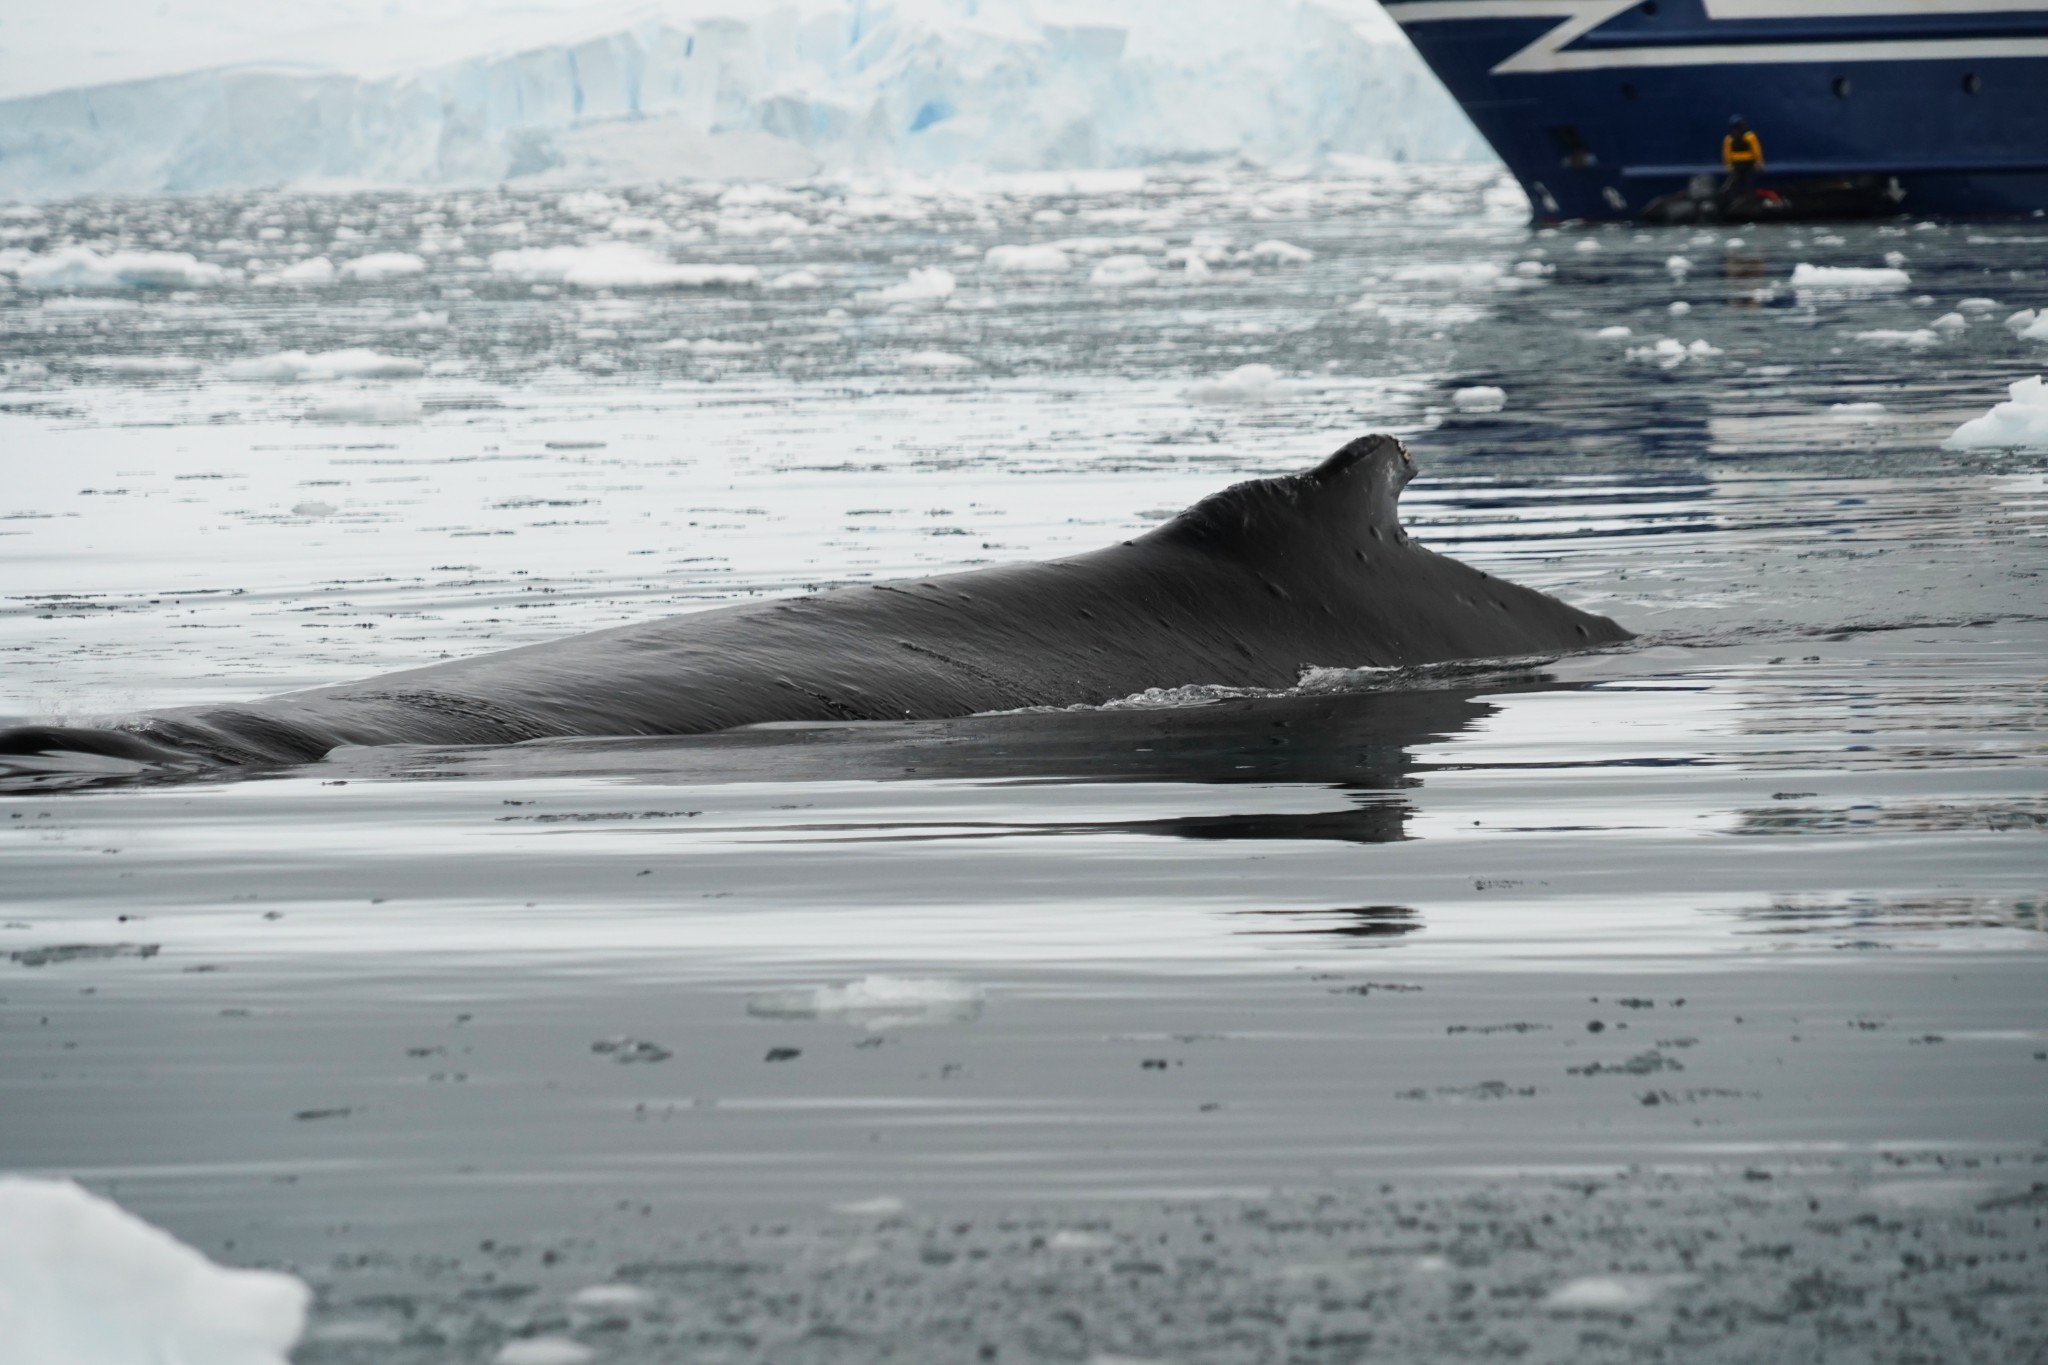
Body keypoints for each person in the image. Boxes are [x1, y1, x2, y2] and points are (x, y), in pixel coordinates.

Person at [1721, 116, 1764, 200]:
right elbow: (1726, 152)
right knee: (1738, 182)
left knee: (1746, 182)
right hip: (1739, 164)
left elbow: (1756, 150)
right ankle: (1739, 198)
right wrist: (1728, 165)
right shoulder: (1731, 138)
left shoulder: (1748, 136)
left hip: (1746, 164)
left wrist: (1759, 162)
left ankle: (1746, 198)